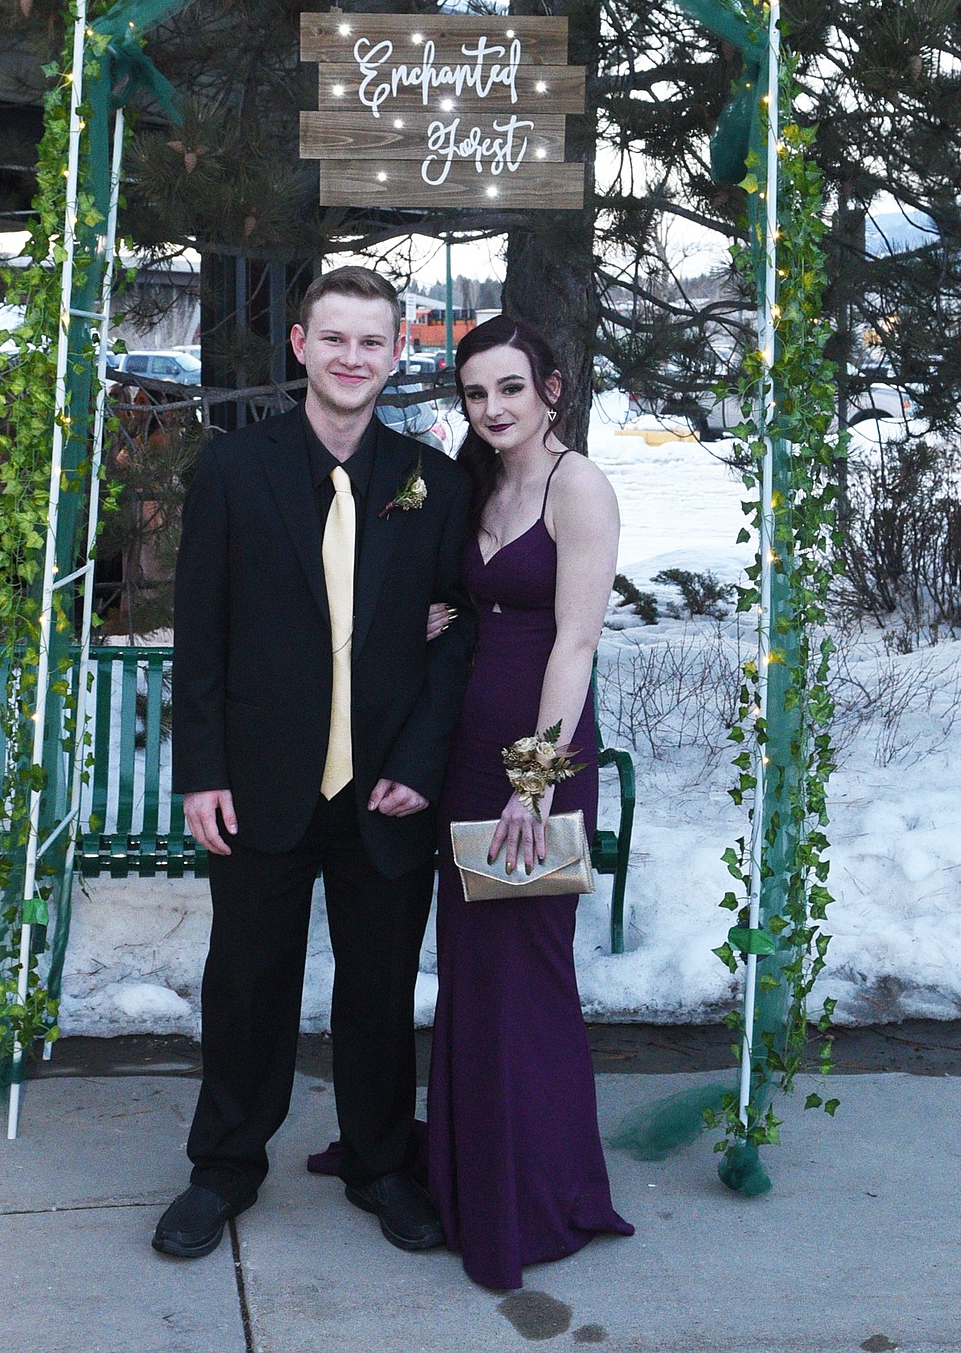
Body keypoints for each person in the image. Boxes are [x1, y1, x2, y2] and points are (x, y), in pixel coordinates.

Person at [154, 266, 475, 1260]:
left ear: (394, 354)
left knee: (379, 986)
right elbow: (198, 633)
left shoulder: (436, 482)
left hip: (385, 786)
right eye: (333, 339)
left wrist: (422, 762)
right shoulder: (233, 472)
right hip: (260, 782)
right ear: (300, 346)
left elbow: (458, 633)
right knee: (246, 980)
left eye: (371, 342)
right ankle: (225, 1167)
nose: (351, 358)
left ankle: (379, 1164)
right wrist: (201, 769)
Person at [426, 314, 634, 1290]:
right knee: (473, 976)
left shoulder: (576, 484)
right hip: (469, 756)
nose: (493, 407)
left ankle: (538, 1205)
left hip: (534, 766)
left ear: (551, 387)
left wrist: (534, 782)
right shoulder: (480, 480)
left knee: (527, 980)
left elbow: (575, 645)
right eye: (476, 392)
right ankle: (470, 1181)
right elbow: (483, 605)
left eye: (511, 387)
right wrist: (442, 611)